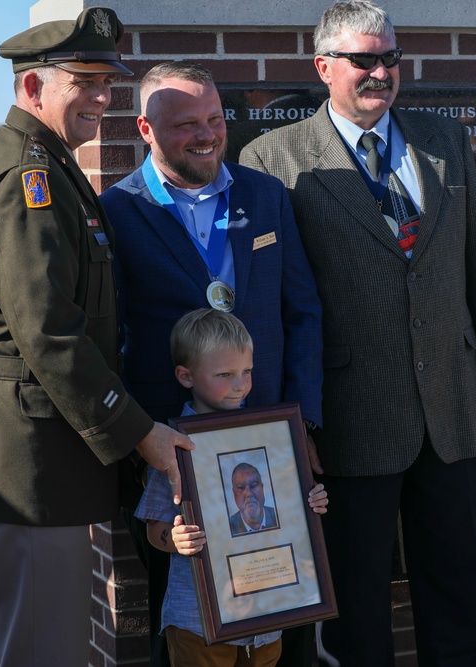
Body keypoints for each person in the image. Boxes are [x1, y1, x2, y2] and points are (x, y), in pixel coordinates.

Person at [239, 2, 476, 664]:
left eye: (389, 58)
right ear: (324, 66)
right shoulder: (273, 158)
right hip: (347, 421)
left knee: (460, 590)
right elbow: (272, 305)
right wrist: (293, 419)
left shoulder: (443, 139)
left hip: (452, 412)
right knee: (355, 605)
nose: (380, 72)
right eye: (363, 60)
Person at [0, 9, 192, 667]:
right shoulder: (26, 180)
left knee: (22, 638)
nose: (102, 96)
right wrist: (138, 431)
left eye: (108, 81)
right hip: (30, 454)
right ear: (32, 88)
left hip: (39, 450)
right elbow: (48, 333)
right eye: (84, 81)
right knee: (45, 649)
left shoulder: (44, 164)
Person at [99, 60, 323, 667]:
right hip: (173, 448)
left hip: (268, 438)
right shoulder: (116, 212)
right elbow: (109, 334)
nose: (206, 134)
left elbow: (301, 311)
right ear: (145, 129)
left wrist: (303, 421)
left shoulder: (265, 195)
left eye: (215, 119)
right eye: (185, 125)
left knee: (282, 612)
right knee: (185, 615)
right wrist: (137, 435)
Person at [135, 308, 329, 667]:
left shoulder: (271, 437)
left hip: (268, 614)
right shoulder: (175, 446)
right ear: (186, 376)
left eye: (247, 372)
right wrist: (173, 539)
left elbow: (288, 512)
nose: (240, 384)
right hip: (199, 618)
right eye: (225, 374)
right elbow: (153, 528)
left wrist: (310, 503)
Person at [228, 462, 280, 535]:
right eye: (240, 487)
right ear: (234, 493)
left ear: (262, 487)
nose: (249, 494)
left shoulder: (281, 517)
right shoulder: (226, 528)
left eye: (254, 485)